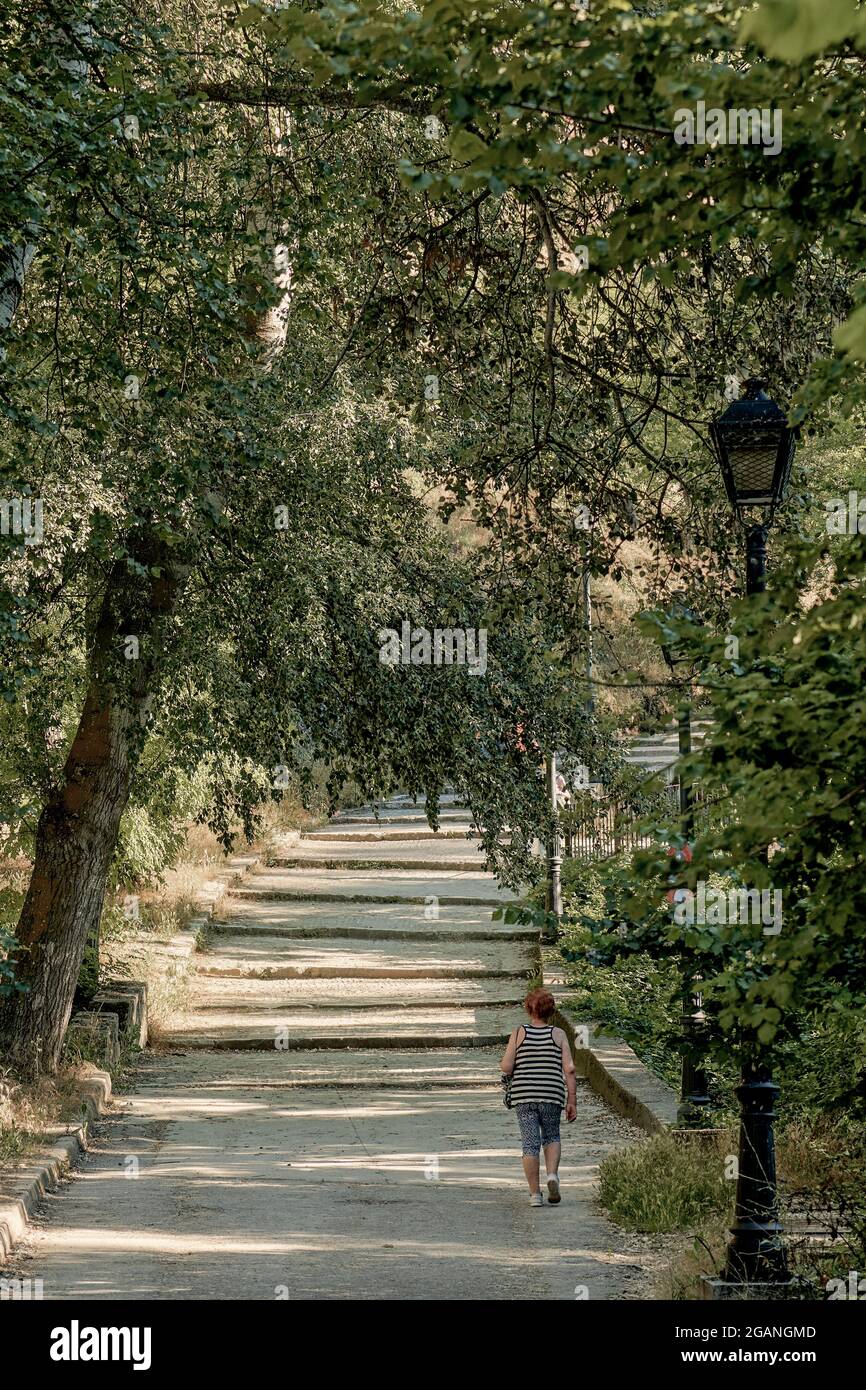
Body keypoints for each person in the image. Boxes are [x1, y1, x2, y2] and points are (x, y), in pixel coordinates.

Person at [500, 986, 577, 1206]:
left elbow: (506, 1067)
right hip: (552, 1093)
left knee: (530, 1144)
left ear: (528, 1009)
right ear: (551, 1011)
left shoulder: (519, 1033)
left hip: (524, 1095)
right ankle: (552, 1175)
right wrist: (572, 1100)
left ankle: (535, 1194)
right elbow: (569, 1069)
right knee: (552, 1135)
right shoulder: (559, 1034)